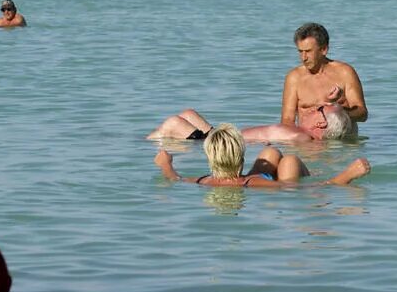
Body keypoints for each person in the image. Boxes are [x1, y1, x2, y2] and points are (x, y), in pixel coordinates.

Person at [155, 123, 370, 187]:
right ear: (240, 158)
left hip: (247, 177)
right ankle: (302, 169)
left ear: (210, 157)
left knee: (270, 152)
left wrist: (165, 163)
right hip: (265, 182)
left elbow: (175, 178)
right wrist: (347, 174)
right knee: (290, 161)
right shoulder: (252, 184)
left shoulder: (204, 181)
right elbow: (292, 189)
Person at [281, 22, 367, 128]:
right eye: (300, 51)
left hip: (342, 141)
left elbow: (362, 114)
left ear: (324, 49)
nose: (303, 57)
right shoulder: (294, 78)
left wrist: (335, 112)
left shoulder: (345, 72)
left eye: (308, 51)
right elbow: (287, 121)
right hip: (308, 141)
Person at [147, 105, 354, 143]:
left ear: (320, 122)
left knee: (173, 123)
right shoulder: (300, 133)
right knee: (188, 114)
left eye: (318, 109)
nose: (310, 109)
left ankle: (141, 146)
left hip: (218, 144)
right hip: (220, 135)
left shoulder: (302, 137)